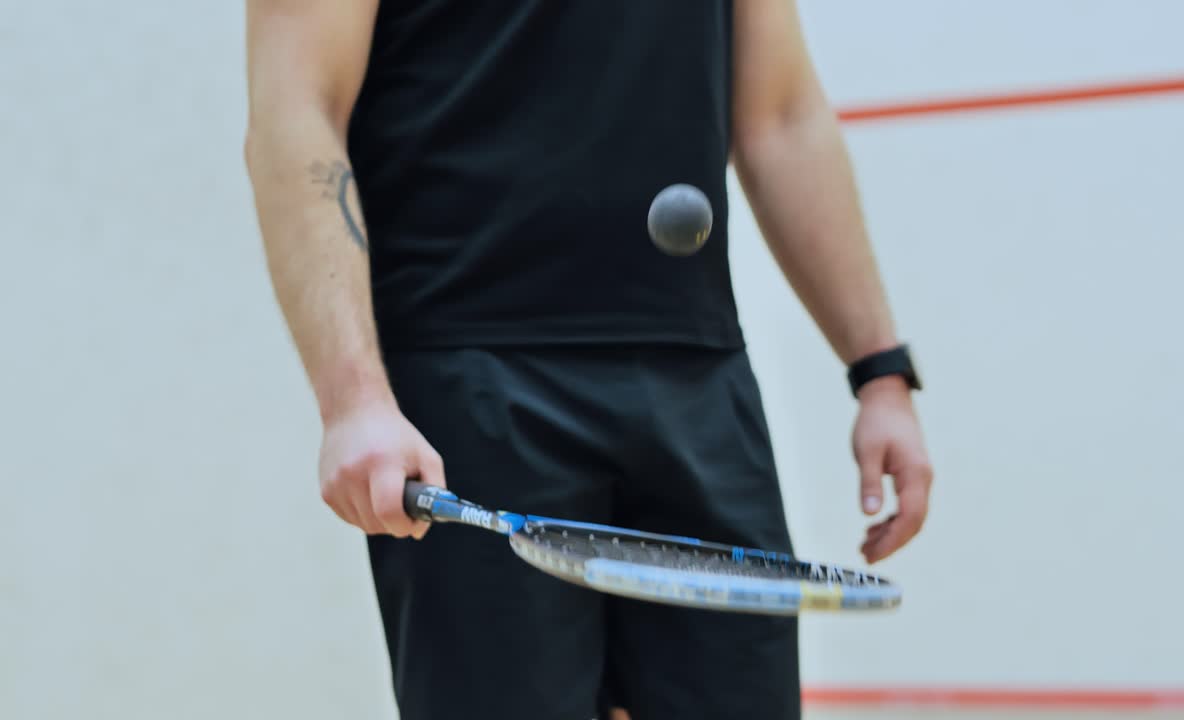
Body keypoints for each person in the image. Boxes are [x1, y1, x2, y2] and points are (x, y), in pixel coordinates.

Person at [243, 1, 934, 718]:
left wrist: (878, 369)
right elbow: (296, 113)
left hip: (698, 380)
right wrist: (352, 398)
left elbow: (781, 116)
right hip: (469, 382)